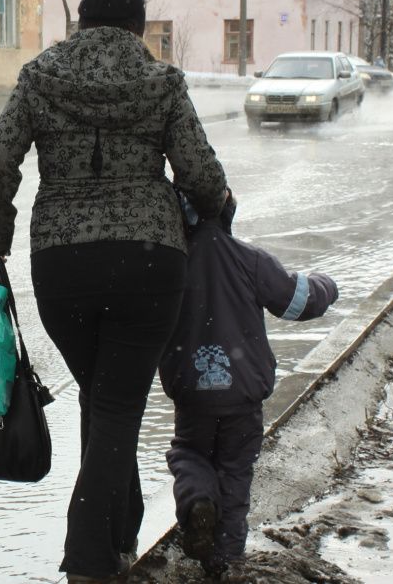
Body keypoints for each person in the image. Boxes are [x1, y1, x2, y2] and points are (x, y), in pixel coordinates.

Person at [0, 0, 229, 582]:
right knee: (116, 404)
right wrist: (217, 203)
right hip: (149, 261)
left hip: (62, 265)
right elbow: (199, 171)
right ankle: (90, 555)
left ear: (80, 26)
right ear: (138, 29)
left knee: (103, 397)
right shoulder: (162, 82)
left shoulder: (41, 76)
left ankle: (122, 528)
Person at [160, 199, 338, 581]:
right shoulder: (249, 260)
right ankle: (224, 558)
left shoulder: (170, 264)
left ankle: (197, 500)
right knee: (235, 470)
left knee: (190, 453)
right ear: (226, 213)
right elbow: (298, 301)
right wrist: (327, 283)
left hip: (192, 395)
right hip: (242, 395)